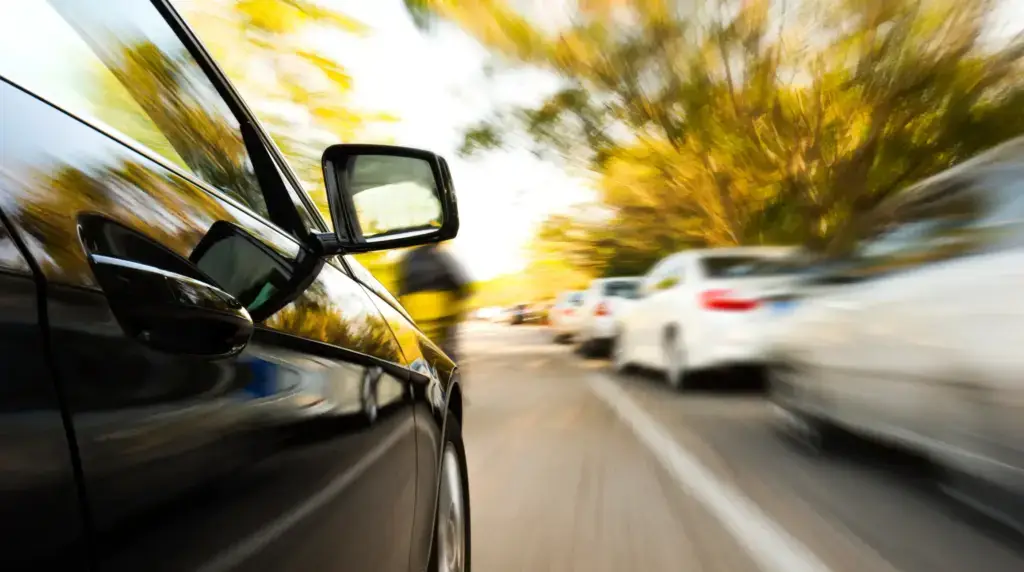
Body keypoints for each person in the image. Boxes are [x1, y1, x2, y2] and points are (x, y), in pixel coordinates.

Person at [397, 241, 472, 363]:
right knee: (448, 353)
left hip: (418, 317)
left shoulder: (408, 258)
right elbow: (462, 284)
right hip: (443, 316)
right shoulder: (444, 256)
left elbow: (400, 289)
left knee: (421, 352)